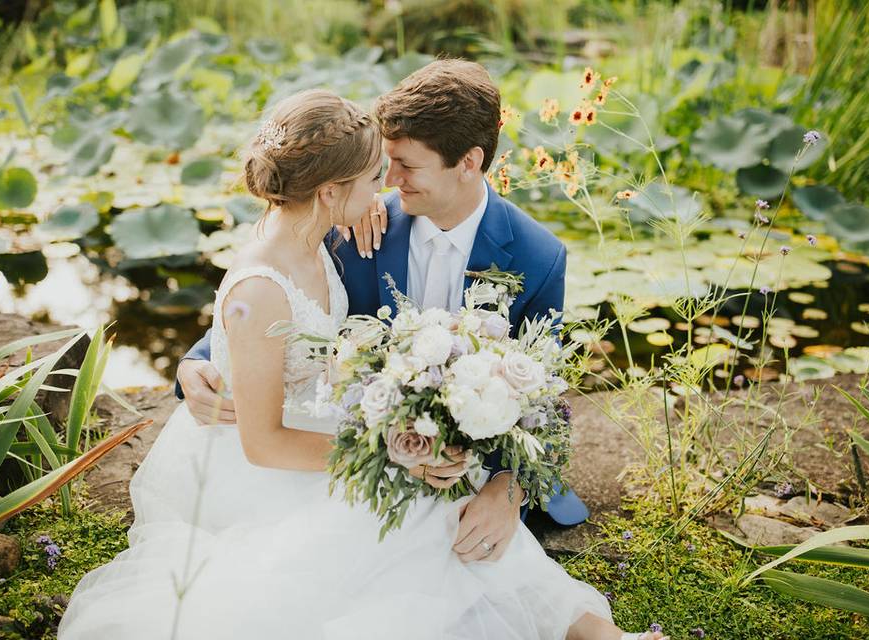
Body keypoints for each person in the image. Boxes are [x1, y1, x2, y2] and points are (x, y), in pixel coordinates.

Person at [60, 84, 666, 640]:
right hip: (310, 453)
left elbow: (547, 394)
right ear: (330, 190)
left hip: (385, 439)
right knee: (425, 519)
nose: (391, 182)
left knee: (436, 511)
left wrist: (508, 489)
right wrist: (194, 363)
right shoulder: (349, 230)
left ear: (470, 163)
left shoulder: (536, 256)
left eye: (404, 167)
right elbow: (252, 312)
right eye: (381, 168)